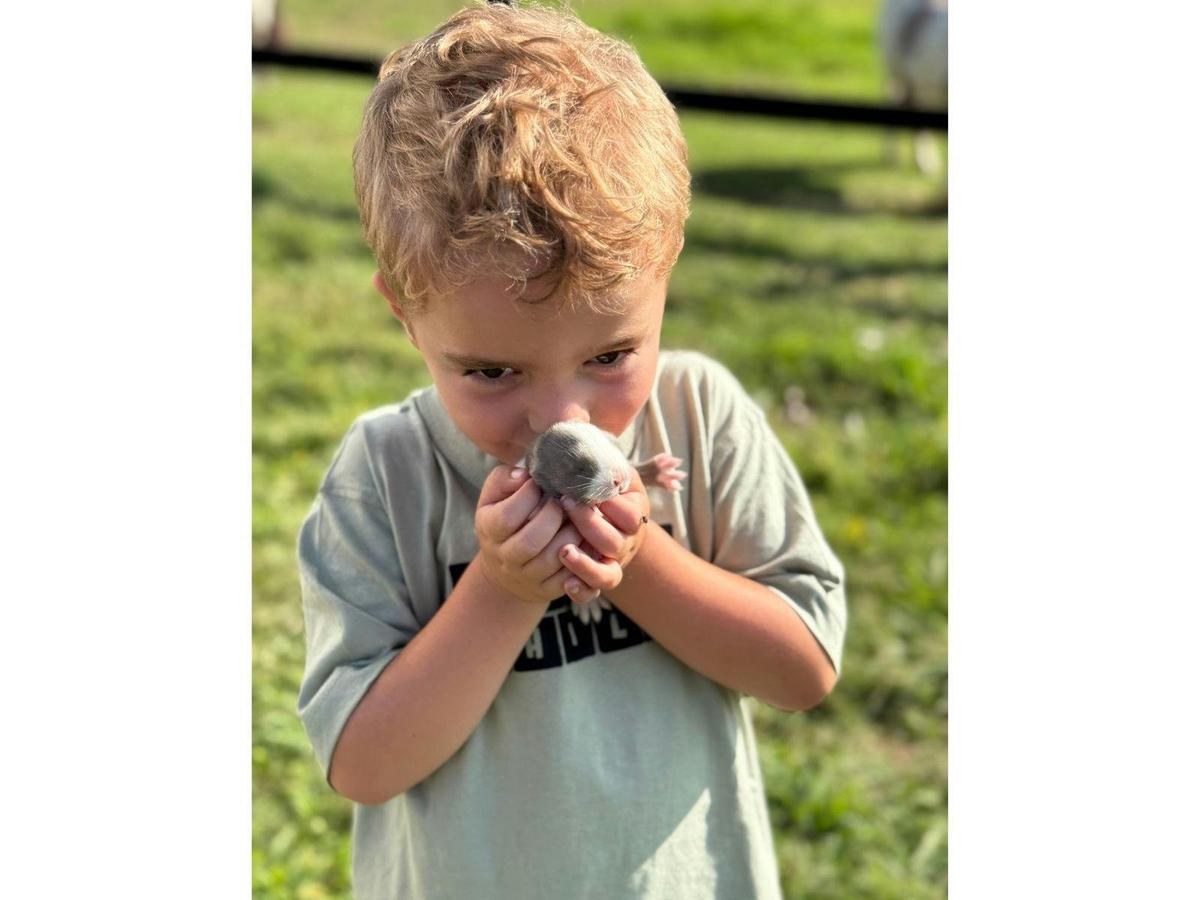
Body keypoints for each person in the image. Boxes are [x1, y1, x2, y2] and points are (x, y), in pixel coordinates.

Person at [296, 3, 847, 897]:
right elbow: (364, 765)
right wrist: (499, 590)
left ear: (665, 270)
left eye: (609, 356)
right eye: (491, 371)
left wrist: (640, 562)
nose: (563, 421)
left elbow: (803, 667)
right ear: (404, 311)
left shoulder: (697, 417)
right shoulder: (384, 477)